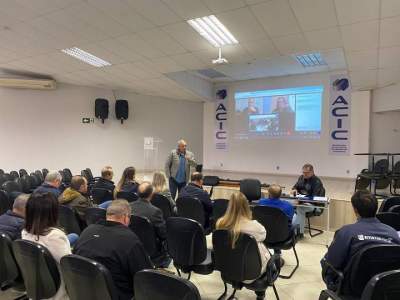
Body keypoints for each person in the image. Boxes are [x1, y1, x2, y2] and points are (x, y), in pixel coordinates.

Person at [74, 200, 153, 300]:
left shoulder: (87, 231)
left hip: (85, 291)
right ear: (125, 217)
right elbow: (145, 277)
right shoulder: (130, 240)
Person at [321, 190, 400, 290]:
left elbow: (333, 262)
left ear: (355, 210)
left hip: (352, 290)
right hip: (384, 289)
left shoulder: (346, 232)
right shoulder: (392, 232)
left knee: (325, 261)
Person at [22, 192, 72, 300]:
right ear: (53, 212)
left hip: (38, 285)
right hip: (57, 292)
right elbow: (69, 265)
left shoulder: (25, 232)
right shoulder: (55, 236)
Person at [217, 192, 269, 281]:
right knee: (262, 246)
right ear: (247, 206)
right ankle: (260, 293)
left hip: (228, 269)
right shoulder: (256, 227)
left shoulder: (220, 223)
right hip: (252, 273)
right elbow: (263, 237)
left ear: (230, 205)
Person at [130, 182, 170, 267]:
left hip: (132, 246)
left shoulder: (129, 207)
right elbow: (163, 234)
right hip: (152, 251)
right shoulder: (155, 211)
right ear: (152, 194)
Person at [292, 164, 325, 237]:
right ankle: (292, 230)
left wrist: (300, 201)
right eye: (303, 172)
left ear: (312, 172)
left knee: (300, 208)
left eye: (306, 173)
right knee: (288, 204)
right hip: (302, 202)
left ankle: (300, 233)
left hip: (315, 205)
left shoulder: (317, 182)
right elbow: (295, 187)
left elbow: (314, 198)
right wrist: (294, 190)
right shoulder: (301, 178)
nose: (304, 174)